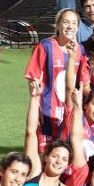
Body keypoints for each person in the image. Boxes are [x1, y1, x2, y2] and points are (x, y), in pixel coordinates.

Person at [24, 8, 85, 153]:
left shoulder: (80, 50)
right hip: (47, 111)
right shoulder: (46, 46)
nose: (70, 26)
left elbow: (82, 82)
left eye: (74, 23)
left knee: (63, 157)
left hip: (69, 113)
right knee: (42, 156)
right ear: (57, 25)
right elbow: (33, 79)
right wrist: (36, 106)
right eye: (66, 22)